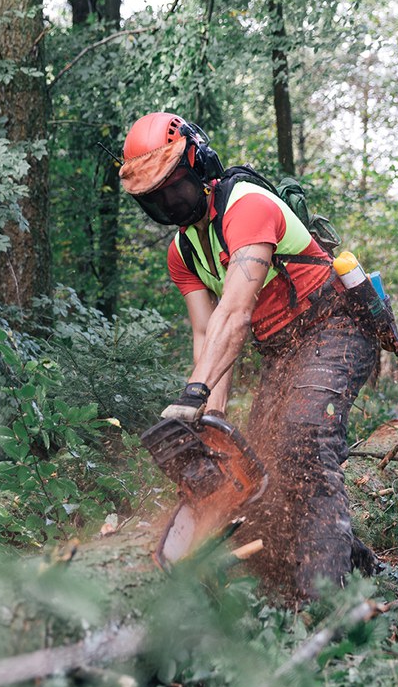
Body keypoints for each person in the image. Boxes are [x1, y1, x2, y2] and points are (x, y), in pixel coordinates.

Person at [118, 111, 378, 601]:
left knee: (303, 440)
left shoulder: (248, 206)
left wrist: (191, 395)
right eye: (155, 198)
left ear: (199, 165)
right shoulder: (183, 252)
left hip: (337, 326)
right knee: (257, 468)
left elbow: (235, 314)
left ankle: (327, 596)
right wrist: (209, 417)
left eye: (174, 186)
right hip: (284, 350)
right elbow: (206, 331)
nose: (168, 202)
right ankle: (350, 559)